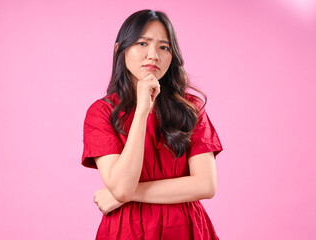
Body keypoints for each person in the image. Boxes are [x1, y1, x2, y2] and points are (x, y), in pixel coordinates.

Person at [82, 9, 223, 240]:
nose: (153, 55)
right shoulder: (101, 112)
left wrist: (120, 196)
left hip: (185, 229)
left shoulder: (190, 107)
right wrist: (142, 111)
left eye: (163, 47)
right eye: (142, 43)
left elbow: (205, 185)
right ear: (120, 50)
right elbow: (122, 186)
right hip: (127, 231)